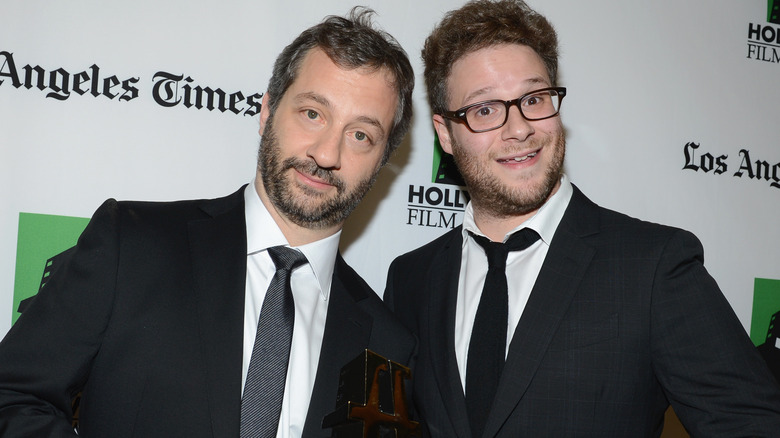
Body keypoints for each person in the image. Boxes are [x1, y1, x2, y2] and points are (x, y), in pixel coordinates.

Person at [0, 8, 415, 438]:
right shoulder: (132, 245)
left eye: (360, 135)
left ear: (382, 163)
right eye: (312, 113)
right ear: (267, 111)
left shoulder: (387, 344)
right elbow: (12, 396)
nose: (327, 153)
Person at [384, 1, 780, 437]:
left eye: (534, 99)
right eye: (485, 110)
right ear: (445, 134)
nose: (519, 129)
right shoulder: (411, 279)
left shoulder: (652, 267)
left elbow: (749, 424)